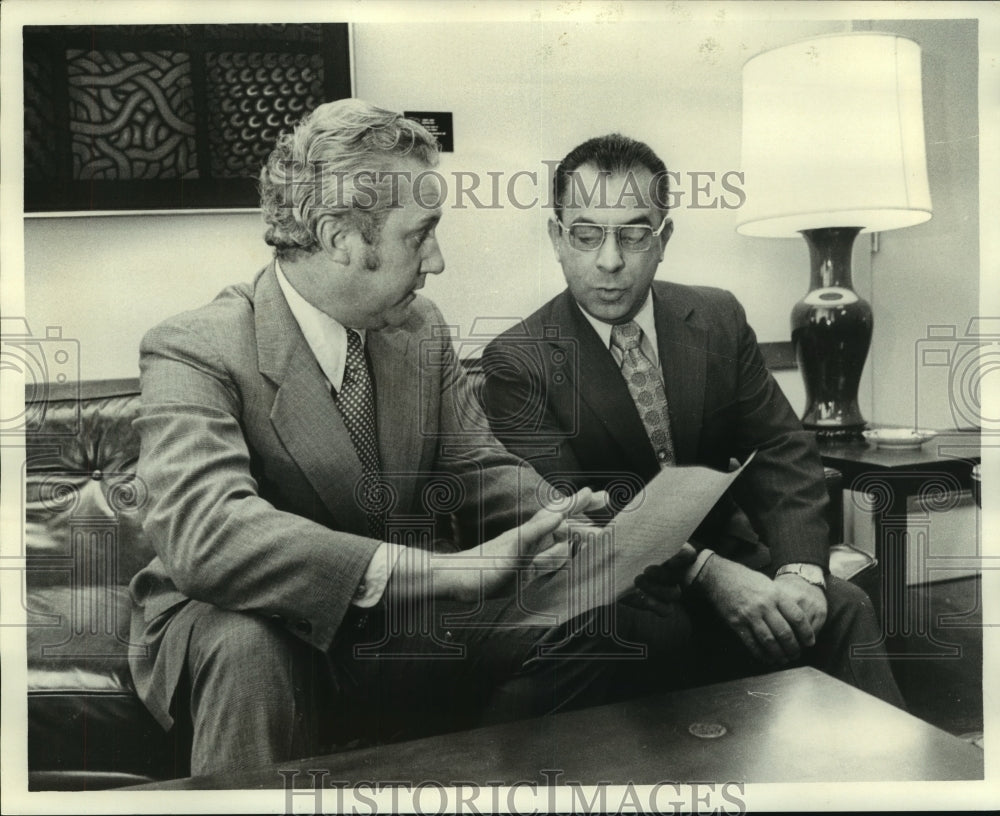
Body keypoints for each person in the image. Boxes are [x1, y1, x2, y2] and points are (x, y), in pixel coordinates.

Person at [127, 102, 681, 778]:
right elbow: (207, 533)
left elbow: (476, 467)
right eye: (420, 235)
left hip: (396, 621)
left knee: (594, 620)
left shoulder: (418, 329)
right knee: (248, 647)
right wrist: (453, 570)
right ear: (338, 237)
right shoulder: (196, 346)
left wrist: (571, 526)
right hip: (248, 622)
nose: (439, 261)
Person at [480, 133, 903, 705]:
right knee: (658, 635)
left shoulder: (717, 316)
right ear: (557, 237)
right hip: (620, 587)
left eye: (634, 234)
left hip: (730, 554)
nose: (609, 260)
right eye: (586, 234)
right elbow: (576, 514)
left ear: (664, 239)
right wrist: (710, 575)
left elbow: (781, 449)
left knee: (840, 604)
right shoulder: (519, 360)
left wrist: (799, 571)